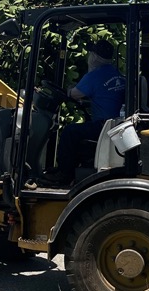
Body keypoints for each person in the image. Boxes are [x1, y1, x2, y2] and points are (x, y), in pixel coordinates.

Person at [46, 40, 126, 184]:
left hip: (103, 127)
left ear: (94, 56)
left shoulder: (94, 76)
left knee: (70, 132)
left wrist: (70, 88)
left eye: (91, 53)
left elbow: (73, 94)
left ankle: (64, 174)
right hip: (116, 125)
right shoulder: (117, 74)